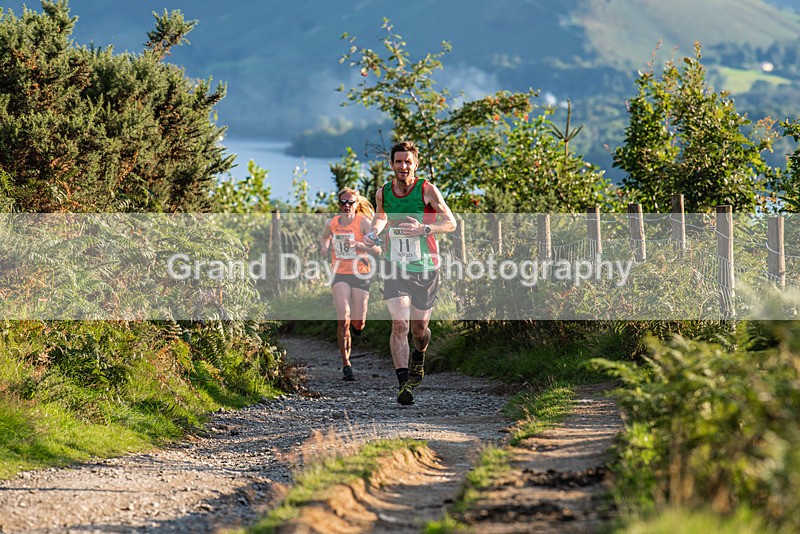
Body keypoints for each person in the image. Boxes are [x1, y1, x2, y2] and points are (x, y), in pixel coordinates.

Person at [364, 140, 456, 405]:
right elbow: (381, 216)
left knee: (419, 329)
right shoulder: (384, 192)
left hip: (426, 268)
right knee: (400, 324)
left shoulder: (427, 190)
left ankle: (419, 355)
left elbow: (451, 223)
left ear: (416, 164)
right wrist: (374, 232)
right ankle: (404, 385)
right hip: (395, 266)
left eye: (408, 162)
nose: (403, 166)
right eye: (398, 162)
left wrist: (425, 229)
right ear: (392, 164)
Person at [320, 188, 381, 381]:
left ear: (356, 204)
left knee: (358, 322)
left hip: (360, 273)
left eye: (350, 202)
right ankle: (346, 363)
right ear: (338, 204)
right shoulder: (332, 223)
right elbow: (325, 237)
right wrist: (324, 246)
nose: (346, 206)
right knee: (343, 319)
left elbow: (378, 249)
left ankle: (357, 328)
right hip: (339, 273)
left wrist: (360, 245)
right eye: (343, 202)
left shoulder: (363, 223)